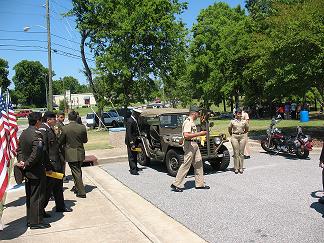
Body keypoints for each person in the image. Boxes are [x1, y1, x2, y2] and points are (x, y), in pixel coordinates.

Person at [16, 112, 51, 229]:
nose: (41, 122)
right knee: (37, 196)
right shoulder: (37, 134)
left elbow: (19, 150)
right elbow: (37, 153)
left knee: (30, 196)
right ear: (37, 121)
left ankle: (30, 220)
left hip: (27, 171)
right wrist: (26, 164)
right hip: (35, 171)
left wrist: (22, 162)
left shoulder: (23, 133)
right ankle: (36, 222)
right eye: (40, 120)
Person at [171, 106, 210, 192]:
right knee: (186, 164)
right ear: (194, 113)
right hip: (190, 144)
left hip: (194, 144)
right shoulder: (188, 122)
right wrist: (200, 133)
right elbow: (186, 135)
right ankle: (176, 184)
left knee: (198, 163)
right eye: (198, 113)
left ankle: (200, 184)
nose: (199, 115)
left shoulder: (192, 122)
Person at [39, 111, 72, 213]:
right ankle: (40, 210)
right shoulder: (44, 130)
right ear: (48, 120)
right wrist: (47, 164)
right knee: (48, 189)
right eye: (54, 119)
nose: (56, 120)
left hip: (56, 163)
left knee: (58, 185)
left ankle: (60, 206)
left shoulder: (50, 129)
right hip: (51, 164)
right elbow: (44, 149)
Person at [59, 110, 88, 198]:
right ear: (76, 118)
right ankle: (77, 187)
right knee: (78, 171)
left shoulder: (65, 128)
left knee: (76, 172)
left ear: (69, 118)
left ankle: (81, 192)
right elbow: (85, 140)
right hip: (80, 152)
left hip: (71, 153)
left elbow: (61, 141)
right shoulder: (82, 127)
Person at [228, 108, 249, 174]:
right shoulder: (232, 121)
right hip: (235, 136)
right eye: (238, 113)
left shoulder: (244, 121)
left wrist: (243, 133)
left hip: (242, 136)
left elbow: (247, 128)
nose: (239, 114)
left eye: (240, 113)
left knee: (241, 153)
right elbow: (229, 128)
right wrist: (232, 134)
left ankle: (241, 168)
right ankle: (236, 168)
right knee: (236, 152)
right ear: (235, 114)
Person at [125, 108, 143, 175]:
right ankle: (133, 170)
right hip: (131, 141)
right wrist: (131, 143)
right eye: (138, 114)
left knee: (135, 154)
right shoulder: (130, 121)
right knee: (131, 155)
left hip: (135, 140)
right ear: (134, 113)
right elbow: (128, 133)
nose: (139, 115)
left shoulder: (135, 120)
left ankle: (135, 166)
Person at [54, 112, 67, 181]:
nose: (63, 118)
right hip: (60, 146)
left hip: (63, 146)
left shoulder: (61, 124)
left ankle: (63, 175)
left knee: (63, 161)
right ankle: (61, 176)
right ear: (57, 117)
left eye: (63, 117)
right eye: (61, 117)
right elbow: (57, 135)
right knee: (61, 161)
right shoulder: (57, 125)